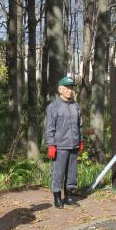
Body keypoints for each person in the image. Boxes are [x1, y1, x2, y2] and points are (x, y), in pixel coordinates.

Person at [44, 76, 84, 209]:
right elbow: (49, 127)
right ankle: (57, 197)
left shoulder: (76, 106)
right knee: (58, 172)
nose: (70, 90)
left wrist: (81, 140)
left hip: (73, 144)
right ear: (60, 90)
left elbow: (80, 125)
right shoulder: (53, 107)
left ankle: (69, 196)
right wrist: (51, 145)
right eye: (67, 88)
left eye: (71, 88)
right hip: (60, 146)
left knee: (72, 172)